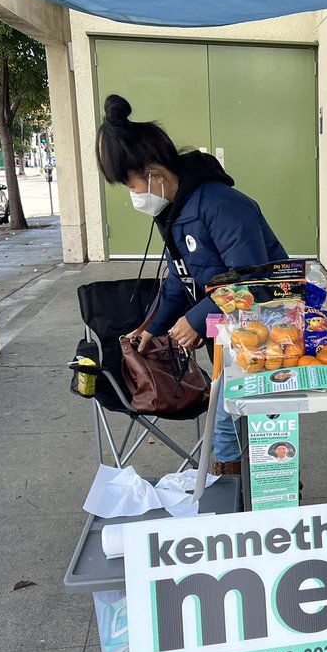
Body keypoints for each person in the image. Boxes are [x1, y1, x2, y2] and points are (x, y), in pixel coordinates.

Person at [95, 93, 288, 475]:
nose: (135, 196)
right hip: (231, 330)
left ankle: (259, 503)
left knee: (246, 426)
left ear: (155, 173)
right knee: (231, 420)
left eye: (133, 186)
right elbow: (178, 282)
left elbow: (253, 278)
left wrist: (197, 320)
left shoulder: (220, 205)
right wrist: (153, 328)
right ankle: (238, 494)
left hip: (270, 328)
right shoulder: (175, 212)